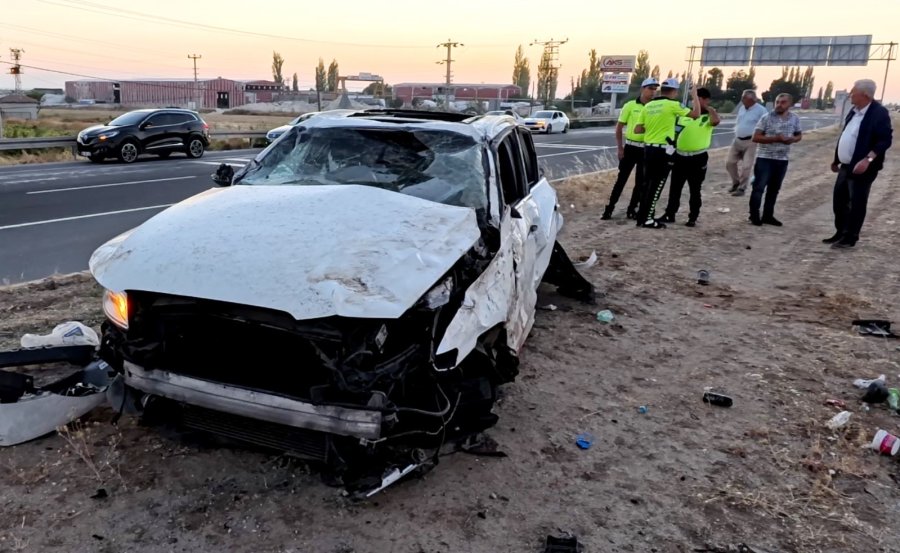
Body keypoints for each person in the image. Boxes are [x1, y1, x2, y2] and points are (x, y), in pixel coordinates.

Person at [826, 79, 893, 249]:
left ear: (865, 95)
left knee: (856, 202)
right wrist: (836, 160)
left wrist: (868, 159)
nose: (850, 95)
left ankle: (850, 237)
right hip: (845, 166)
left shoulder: (878, 113)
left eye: (853, 92)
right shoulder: (854, 112)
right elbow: (846, 136)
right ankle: (840, 231)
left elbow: (885, 140)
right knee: (839, 201)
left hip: (863, 168)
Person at [632, 78, 701, 229]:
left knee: (647, 184)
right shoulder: (672, 105)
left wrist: (654, 127)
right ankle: (648, 219)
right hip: (663, 150)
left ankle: (641, 217)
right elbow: (696, 114)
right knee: (657, 185)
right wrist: (694, 95)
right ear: (674, 92)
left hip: (648, 149)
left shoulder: (649, 106)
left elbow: (637, 129)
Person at [659, 87, 720, 226]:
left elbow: (716, 121)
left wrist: (709, 108)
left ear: (705, 100)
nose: (695, 102)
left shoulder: (708, 116)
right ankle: (670, 214)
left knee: (694, 189)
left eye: (697, 99)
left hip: (698, 158)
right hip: (680, 156)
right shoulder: (687, 114)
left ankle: (693, 217)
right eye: (693, 99)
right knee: (675, 188)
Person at [601, 77, 659, 220]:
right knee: (621, 180)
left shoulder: (655, 107)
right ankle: (609, 209)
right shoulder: (630, 106)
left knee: (640, 182)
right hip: (631, 147)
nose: (653, 92)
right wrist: (620, 148)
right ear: (642, 89)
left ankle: (632, 209)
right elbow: (619, 127)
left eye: (654, 89)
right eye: (650, 88)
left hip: (646, 149)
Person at [748, 93, 802, 226]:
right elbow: (755, 137)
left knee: (774, 189)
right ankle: (754, 216)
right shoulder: (766, 118)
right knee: (759, 188)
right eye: (777, 102)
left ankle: (768, 215)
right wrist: (775, 139)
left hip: (782, 159)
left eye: (783, 102)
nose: (779, 105)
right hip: (765, 158)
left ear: (790, 104)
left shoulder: (794, 118)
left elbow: (799, 134)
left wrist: (793, 139)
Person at [726, 90, 767, 196]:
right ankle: (736, 183)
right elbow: (739, 122)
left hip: (751, 141)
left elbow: (766, 125)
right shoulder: (742, 108)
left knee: (746, 166)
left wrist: (762, 138)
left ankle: (742, 188)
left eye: (744, 98)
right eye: (742, 97)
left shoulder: (761, 110)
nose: (742, 99)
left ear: (752, 99)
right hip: (737, 140)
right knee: (729, 163)